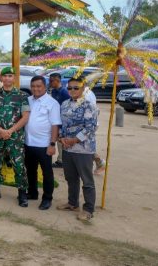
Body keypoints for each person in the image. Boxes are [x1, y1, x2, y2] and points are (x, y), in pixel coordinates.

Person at [0, 66, 30, 207]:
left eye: (10, 76)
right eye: (5, 76)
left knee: (19, 165)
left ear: (14, 78)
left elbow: (25, 116)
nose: (8, 78)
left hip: (15, 136)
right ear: (1, 78)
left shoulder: (22, 96)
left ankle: (22, 194)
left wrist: (9, 131)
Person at [57, 77, 98, 222]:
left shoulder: (89, 105)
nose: (72, 91)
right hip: (68, 148)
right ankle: (73, 203)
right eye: (69, 88)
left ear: (83, 88)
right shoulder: (65, 104)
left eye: (76, 87)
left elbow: (90, 128)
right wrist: (61, 138)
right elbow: (62, 124)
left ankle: (88, 209)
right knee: (71, 178)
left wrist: (74, 140)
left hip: (83, 149)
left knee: (87, 180)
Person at [25, 76, 61, 210]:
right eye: (33, 86)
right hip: (28, 142)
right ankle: (33, 193)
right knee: (30, 170)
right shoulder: (28, 100)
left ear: (45, 87)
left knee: (47, 173)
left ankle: (47, 198)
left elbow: (55, 125)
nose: (35, 89)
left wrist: (52, 144)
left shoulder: (52, 103)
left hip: (44, 145)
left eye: (38, 86)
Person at [48, 72, 70, 168]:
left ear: (57, 81)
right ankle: (61, 160)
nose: (50, 83)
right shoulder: (54, 91)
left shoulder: (64, 92)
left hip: (64, 120)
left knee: (64, 141)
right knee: (59, 140)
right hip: (57, 120)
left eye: (51, 81)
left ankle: (96, 158)